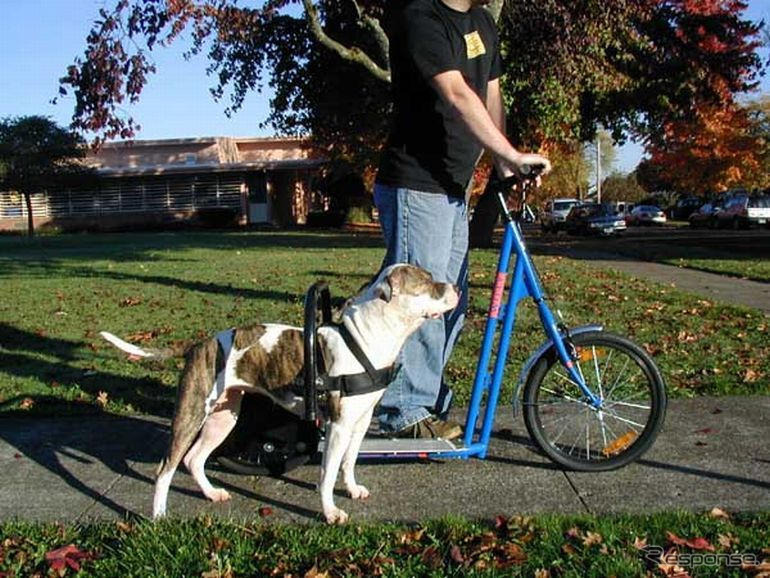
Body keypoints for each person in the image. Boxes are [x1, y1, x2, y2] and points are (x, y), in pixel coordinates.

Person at [372, 0, 551, 439]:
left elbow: (491, 95)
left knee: (453, 302)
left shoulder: (482, 22)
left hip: (453, 186)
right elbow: (455, 94)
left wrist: (503, 163)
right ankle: (403, 409)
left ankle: (420, 395)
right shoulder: (421, 17)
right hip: (416, 183)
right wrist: (510, 153)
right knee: (420, 302)